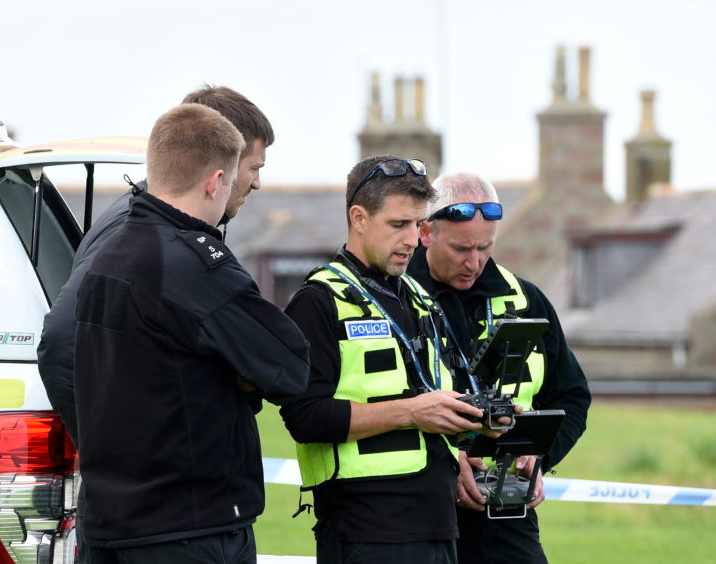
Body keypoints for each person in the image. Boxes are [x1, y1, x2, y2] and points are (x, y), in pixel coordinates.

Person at [73, 103, 309, 562]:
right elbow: (290, 367)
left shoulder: (108, 252)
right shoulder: (196, 265)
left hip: (109, 523)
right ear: (215, 180)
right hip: (188, 528)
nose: (252, 184)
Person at [280, 155, 490, 564]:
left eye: (417, 224)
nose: (413, 239)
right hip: (366, 530)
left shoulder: (417, 296)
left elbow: (431, 393)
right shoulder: (318, 301)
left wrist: (478, 426)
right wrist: (412, 413)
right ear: (358, 218)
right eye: (398, 225)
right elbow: (304, 417)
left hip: (440, 522)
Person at [38, 84, 273, 445]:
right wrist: (116, 453)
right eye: (253, 167)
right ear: (220, 161)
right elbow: (60, 343)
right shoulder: (136, 232)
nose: (257, 183)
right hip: (148, 494)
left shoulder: (166, 226)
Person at [407, 172, 592, 564]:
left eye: (485, 247)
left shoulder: (527, 299)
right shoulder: (392, 299)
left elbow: (572, 394)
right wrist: (446, 462)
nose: (473, 262)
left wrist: (539, 457)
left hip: (507, 511)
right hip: (419, 512)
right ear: (426, 233)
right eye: (460, 248)